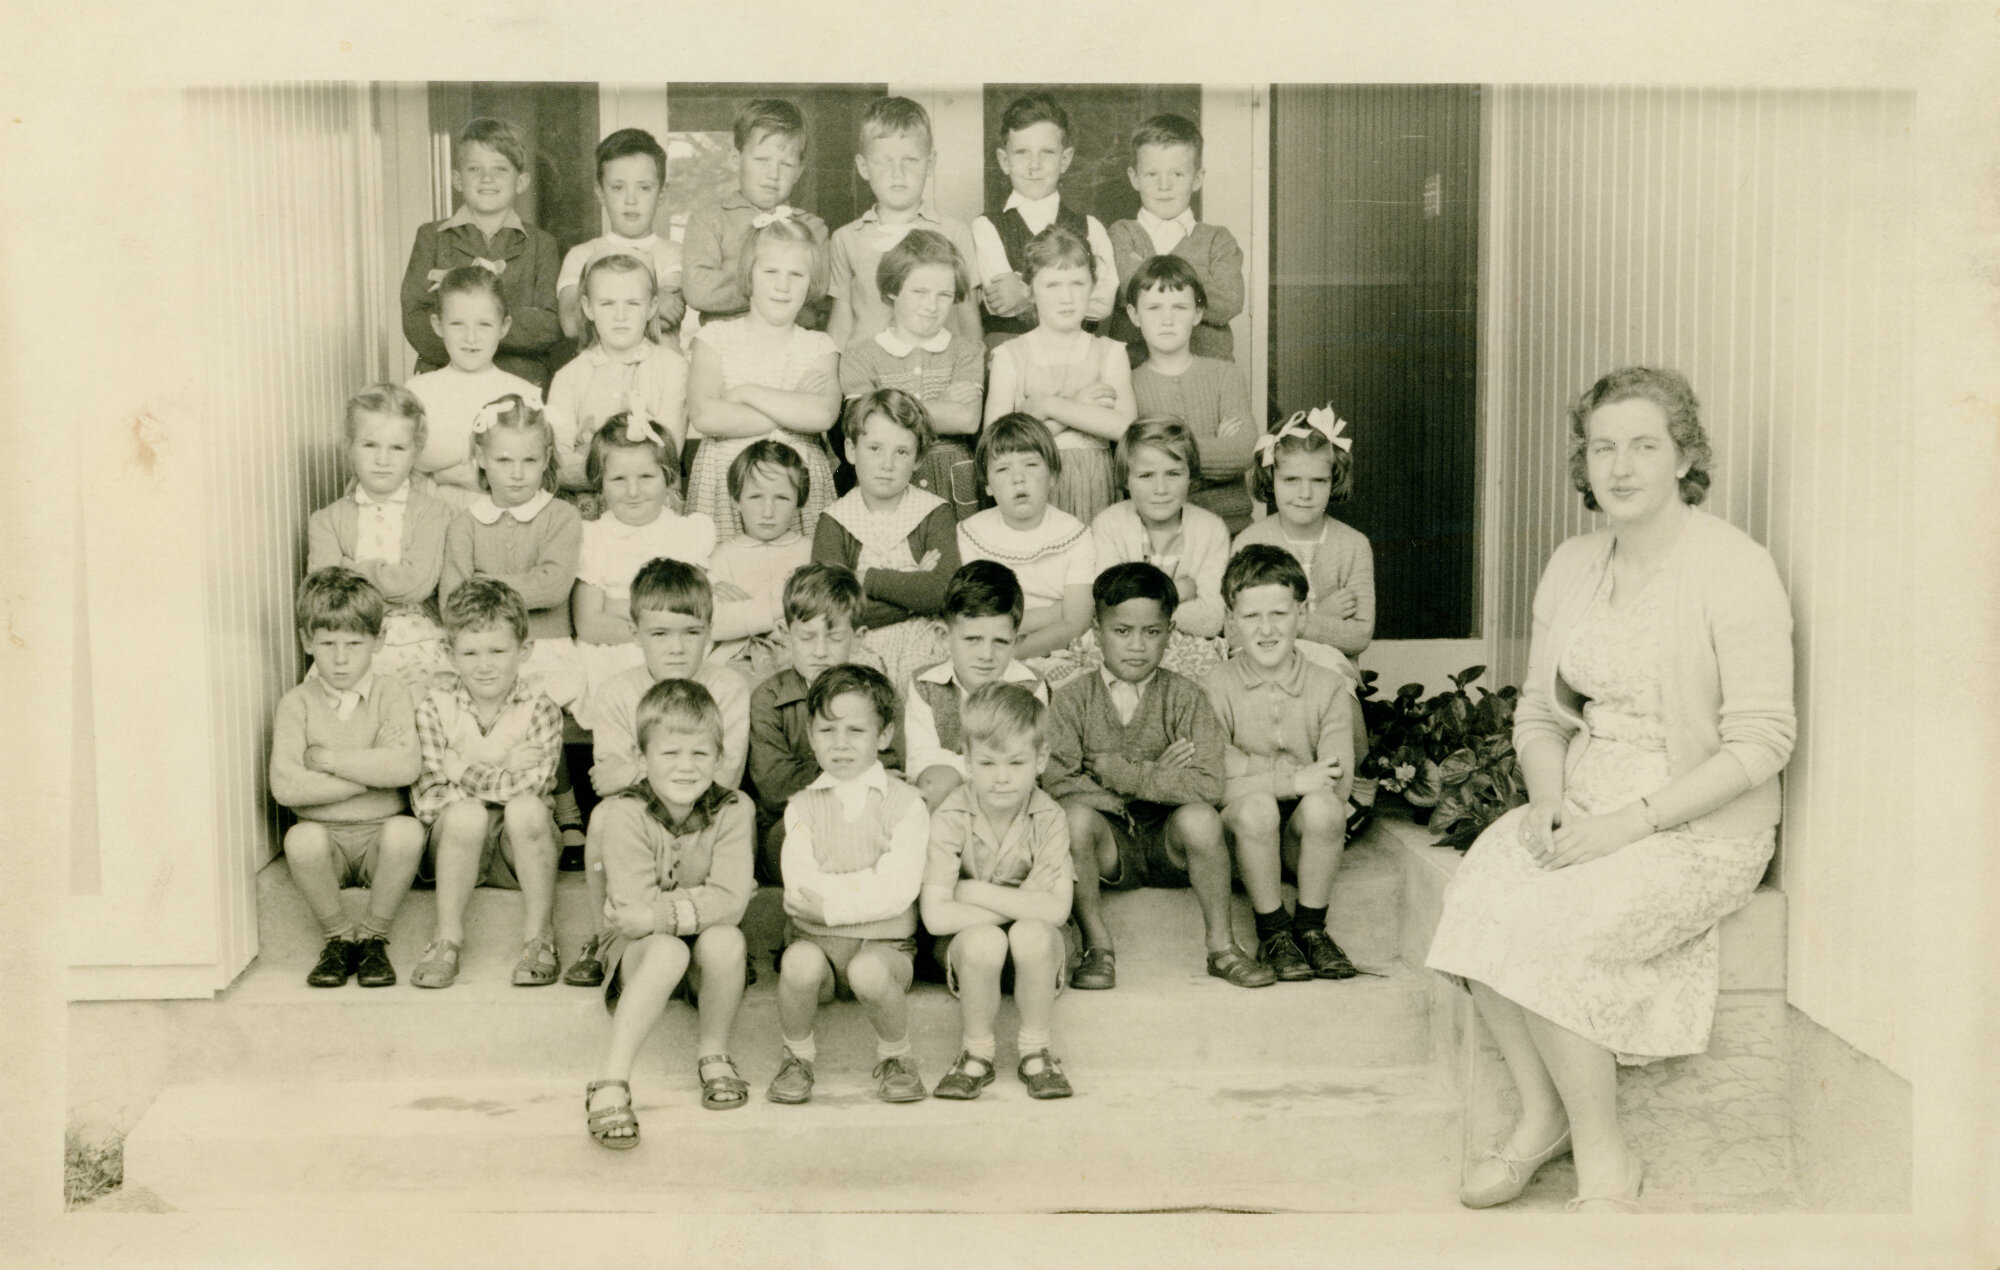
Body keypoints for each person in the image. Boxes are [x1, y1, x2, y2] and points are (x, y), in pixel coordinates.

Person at [1426, 367, 1796, 1213]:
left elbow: (1764, 742)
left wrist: (1628, 825)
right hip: (1583, 800)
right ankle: (1541, 1118)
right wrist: (1549, 797)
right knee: (1483, 891)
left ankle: (1606, 1163)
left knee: (1555, 930)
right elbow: (1539, 714)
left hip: (1697, 825)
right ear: (1583, 461)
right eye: (1603, 448)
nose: (1621, 467)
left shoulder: (1735, 569)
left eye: (1644, 446)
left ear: (1684, 458)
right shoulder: (1575, 562)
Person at [1044, 562, 1271, 991]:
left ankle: (1222, 946)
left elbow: (1207, 783)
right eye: (1122, 631)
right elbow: (1059, 782)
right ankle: (1097, 945)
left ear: (1170, 632)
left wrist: (1126, 774)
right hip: (1109, 843)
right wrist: (1151, 785)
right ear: (1096, 631)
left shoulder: (1186, 696)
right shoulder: (1073, 699)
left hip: (1170, 843)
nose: (1137, 646)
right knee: (1071, 819)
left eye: (1151, 632)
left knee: (1201, 817)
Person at [584, 679, 754, 1148]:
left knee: (729, 940)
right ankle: (611, 1081)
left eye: (700, 755)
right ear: (642, 760)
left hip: (700, 950)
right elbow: (630, 910)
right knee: (666, 952)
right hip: (640, 954)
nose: (686, 767)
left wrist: (663, 914)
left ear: (719, 759)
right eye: (670, 753)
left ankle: (714, 1054)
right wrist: (701, 900)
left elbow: (733, 901)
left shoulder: (735, 809)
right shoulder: (623, 813)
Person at [568, 558, 752, 989]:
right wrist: (637, 776)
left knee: (740, 810)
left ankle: (711, 933)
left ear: (710, 632)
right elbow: (606, 781)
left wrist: (637, 768)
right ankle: (605, 935)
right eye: (660, 634)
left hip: (707, 817)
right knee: (602, 816)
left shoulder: (728, 688)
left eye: (691, 633)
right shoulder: (616, 691)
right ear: (635, 634)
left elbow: (725, 776)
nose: (677, 648)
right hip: (641, 823)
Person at [769, 664, 930, 1105]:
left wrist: (833, 905)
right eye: (827, 730)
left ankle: (897, 1057)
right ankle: (796, 1057)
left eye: (856, 730)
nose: (840, 744)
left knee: (868, 971)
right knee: (798, 964)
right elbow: (801, 891)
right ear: (811, 734)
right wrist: (863, 887)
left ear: (884, 735)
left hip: (886, 950)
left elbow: (899, 888)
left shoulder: (906, 805)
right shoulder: (802, 807)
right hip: (817, 948)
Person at [1203, 545, 1360, 983]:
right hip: (1241, 843)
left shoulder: (1328, 687)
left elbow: (1336, 780)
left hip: (1301, 845)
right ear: (1231, 621)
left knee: (1325, 806)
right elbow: (1212, 782)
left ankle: (1310, 929)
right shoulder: (1215, 688)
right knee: (1257, 807)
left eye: (1279, 614)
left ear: (1302, 615)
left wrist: (1247, 770)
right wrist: (1293, 779)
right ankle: (1273, 932)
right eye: (1251, 617)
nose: (1266, 629)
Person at [438, 394, 587, 851]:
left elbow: (553, 587)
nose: (517, 473)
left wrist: (484, 584)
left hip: (544, 645)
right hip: (484, 652)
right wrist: (504, 590)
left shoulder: (560, 515)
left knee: (540, 699)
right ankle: (482, 800)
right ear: (481, 459)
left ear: (547, 459)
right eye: (504, 460)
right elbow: (450, 602)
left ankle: (564, 805)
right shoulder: (465, 522)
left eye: (529, 460)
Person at [268, 568, 425, 988]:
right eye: (327, 644)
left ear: (378, 641)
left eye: (354, 644)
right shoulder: (296, 704)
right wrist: (372, 774)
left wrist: (329, 759)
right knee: (299, 840)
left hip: (380, 843)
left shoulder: (391, 693)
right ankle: (338, 939)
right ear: (306, 641)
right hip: (325, 844)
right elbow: (287, 788)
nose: (340, 658)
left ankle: (373, 937)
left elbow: (405, 768)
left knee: (407, 832)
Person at [919, 683, 1075, 1100]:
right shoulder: (952, 813)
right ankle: (976, 1054)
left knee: (1033, 932)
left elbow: (1057, 911)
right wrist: (1024, 903)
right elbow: (935, 917)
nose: (1001, 777)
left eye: (1016, 762)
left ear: (1040, 759)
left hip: (1037, 954)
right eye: (987, 762)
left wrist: (970, 891)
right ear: (967, 760)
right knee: (987, 938)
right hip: (970, 953)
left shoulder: (1049, 816)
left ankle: (1036, 1052)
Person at [409, 578, 566, 989]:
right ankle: (446, 939)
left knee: (527, 808)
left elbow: (536, 783)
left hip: (518, 851)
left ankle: (539, 937)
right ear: (449, 654)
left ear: (524, 650)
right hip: (455, 849)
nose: (485, 665)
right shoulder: (433, 707)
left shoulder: (541, 709)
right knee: (463, 815)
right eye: (470, 652)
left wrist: (462, 770)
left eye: (498, 651)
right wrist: (504, 768)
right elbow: (428, 801)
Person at [684, 216, 841, 540]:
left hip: (796, 495)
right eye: (770, 272)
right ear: (749, 276)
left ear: (811, 282)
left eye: (796, 274)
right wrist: (791, 407)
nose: (782, 286)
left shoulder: (818, 346)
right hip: (725, 487)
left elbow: (822, 414)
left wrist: (744, 392)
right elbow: (705, 414)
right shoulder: (715, 338)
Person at [745, 564, 899, 884]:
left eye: (834, 637)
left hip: (862, 818)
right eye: (806, 637)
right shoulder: (767, 699)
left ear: (858, 638)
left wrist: (827, 774)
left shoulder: (878, 694)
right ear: (785, 634)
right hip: (791, 825)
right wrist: (851, 772)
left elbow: (891, 766)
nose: (819, 651)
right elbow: (775, 787)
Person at [983, 226, 1137, 525]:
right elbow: (997, 445)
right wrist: (1077, 404)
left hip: (1096, 489)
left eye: (1077, 283)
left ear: (1093, 286)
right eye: (1052, 285)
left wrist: (1049, 406)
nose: (1066, 297)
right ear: (1029, 290)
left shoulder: (1109, 353)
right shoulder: (1009, 356)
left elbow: (1125, 428)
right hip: (1031, 491)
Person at [306, 384, 452, 696]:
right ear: (349, 446)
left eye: (397, 448)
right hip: (350, 637)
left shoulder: (433, 513)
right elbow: (325, 593)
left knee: (427, 699)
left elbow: (416, 584)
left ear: (415, 451)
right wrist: (386, 575)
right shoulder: (327, 520)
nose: (382, 460)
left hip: (417, 639)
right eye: (370, 445)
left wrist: (348, 568)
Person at [813, 388, 959, 689]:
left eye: (901, 451)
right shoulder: (835, 520)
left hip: (925, 636)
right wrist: (914, 587)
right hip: (857, 643)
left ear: (918, 458)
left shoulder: (933, 513)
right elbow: (834, 607)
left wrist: (867, 580)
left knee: (927, 687)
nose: (887, 464)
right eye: (875, 448)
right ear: (851, 450)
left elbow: (944, 592)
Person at [399, 117, 560, 389]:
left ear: (521, 181)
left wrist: (472, 328)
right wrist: (468, 352)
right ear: (457, 179)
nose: (487, 178)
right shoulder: (431, 237)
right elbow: (415, 319)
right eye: (474, 169)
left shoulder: (541, 244)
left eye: (500, 169)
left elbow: (550, 324)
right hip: (444, 377)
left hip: (518, 378)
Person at [837, 229, 986, 519]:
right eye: (919, 291)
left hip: (954, 489)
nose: (932, 306)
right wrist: (939, 403)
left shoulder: (968, 351)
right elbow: (864, 425)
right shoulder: (859, 356)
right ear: (893, 289)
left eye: (944, 295)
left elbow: (966, 419)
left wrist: (887, 408)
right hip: (884, 487)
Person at [570, 410, 717, 703]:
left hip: (679, 656)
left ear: (670, 478)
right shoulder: (593, 538)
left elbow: (695, 612)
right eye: (618, 479)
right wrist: (664, 622)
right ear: (600, 483)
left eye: (647, 476)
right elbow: (589, 625)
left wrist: (614, 605)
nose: (633, 491)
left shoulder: (688, 533)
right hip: (611, 658)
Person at [826, 96, 982, 349]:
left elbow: (967, 315)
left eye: (910, 160)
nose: (897, 173)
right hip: (869, 377)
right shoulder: (846, 238)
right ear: (863, 167)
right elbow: (842, 319)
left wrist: (974, 377)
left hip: (937, 370)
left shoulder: (954, 233)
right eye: (884, 161)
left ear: (930, 163)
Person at [1090, 416, 1232, 683]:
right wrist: (1178, 591)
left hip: (1192, 651)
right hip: (1124, 648)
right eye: (1146, 475)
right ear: (1125, 479)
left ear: (1191, 475)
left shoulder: (1211, 529)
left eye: (1174, 473)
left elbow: (1213, 619)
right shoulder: (1109, 525)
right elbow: (1110, 609)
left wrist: (1139, 608)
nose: (1161, 489)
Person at [1231, 404, 1375, 667]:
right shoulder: (1249, 542)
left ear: (1334, 480)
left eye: (1319, 481)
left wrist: (1293, 623)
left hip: (1333, 676)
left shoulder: (1353, 545)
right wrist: (1316, 617)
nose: (1305, 494)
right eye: (1291, 480)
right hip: (1263, 673)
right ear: (1271, 477)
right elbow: (1235, 635)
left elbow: (1360, 635)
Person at [972, 91, 1117, 347]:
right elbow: (1002, 303)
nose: (1034, 165)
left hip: (1078, 351)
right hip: (1014, 354)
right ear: (1004, 161)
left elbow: (1104, 303)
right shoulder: (987, 227)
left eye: (1047, 152)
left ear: (1065, 160)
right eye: (1022, 153)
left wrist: (1025, 293)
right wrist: (1074, 291)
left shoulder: (1090, 227)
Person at [903, 560, 1048, 813]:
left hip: (1009, 799)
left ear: (1017, 642)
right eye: (972, 639)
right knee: (937, 781)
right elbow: (920, 764)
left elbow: (1027, 764)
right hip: (947, 803)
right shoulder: (925, 685)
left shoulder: (1030, 686)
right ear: (943, 636)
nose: (986, 654)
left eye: (1001, 642)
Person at [954, 414, 1097, 668]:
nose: (1018, 478)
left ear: (1053, 476)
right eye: (1002, 469)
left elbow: (1076, 622)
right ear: (987, 485)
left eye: (1030, 465)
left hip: (1058, 645)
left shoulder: (1075, 535)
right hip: (988, 649)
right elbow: (978, 619)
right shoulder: (972, 534)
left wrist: (1011, 654)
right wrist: (1053, 613)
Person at [1125, 256, 1256, 532]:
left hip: (1232, 526)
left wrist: (1161, 455)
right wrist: (1213, 446)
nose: (1167, 320)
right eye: (1154, 308)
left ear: (1198, 313)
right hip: (1157, 533)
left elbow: (1243, 452)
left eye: (1180, 307)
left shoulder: (1226, 374)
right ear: (1134, 315)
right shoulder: (1128, 384)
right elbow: (1131, 462)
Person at [1105, 113, 1245, 365]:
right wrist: (1195, 284)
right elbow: (1129, 289)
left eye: (1177, 174)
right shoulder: (1122, 233)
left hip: (1208, 373)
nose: (1164, 185)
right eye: (1151, 174)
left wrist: (1145, 269)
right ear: (1134, 178)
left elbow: (1228, 302)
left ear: (1197, 179)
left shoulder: (1218, 239)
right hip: (1136, 373)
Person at [545, 251, 689, 494]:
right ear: (588, 308)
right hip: (585, 504)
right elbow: (559, 461)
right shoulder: (568, 376)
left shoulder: (673, 368)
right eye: (607, 303)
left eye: (632, 303)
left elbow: (666, 456)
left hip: (651, 502)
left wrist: (593, 459)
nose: (620, 316)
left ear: (652, 306)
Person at [405, 267, 545, 509]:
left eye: (484, 325)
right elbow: (407, 460)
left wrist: (441, 474)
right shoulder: (417, 390)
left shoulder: (523, 394)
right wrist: (471, 463)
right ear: (438, 325)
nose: (471, 337)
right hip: (430, 521)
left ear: (504, 326)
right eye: (457, 324)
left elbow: (531, 469)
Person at [681, 98, 829, 325]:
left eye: (786, 164)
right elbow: (698, 290)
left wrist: (732, 276)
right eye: (762, 160)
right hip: (725, 346)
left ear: (799, 172)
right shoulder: (709, 220)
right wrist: (779, 287)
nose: (773, 174)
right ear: (735, 159)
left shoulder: (812, 227)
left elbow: (816, 291)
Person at [556, 127, 686, 344]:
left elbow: (669, 316)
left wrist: (601, 305)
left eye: (644, 188)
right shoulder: (581, 255)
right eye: (617, 187)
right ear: (600, 193)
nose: (631, 200)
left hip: (662, 374)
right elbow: (570, 324)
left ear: (661, 194)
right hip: (602, 375)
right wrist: (653, 301)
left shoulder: (676, 253)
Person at [705, 440, 815, 683]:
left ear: (799, 501)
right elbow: (716, 624)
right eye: (755, 496)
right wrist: (785, 606)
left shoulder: (809, 552)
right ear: (736, 499)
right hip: (737, 657)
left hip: (799, 654)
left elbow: (816, 612)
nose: (768, 511)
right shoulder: (723, 555)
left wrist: (747, 609)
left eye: (782, 498)